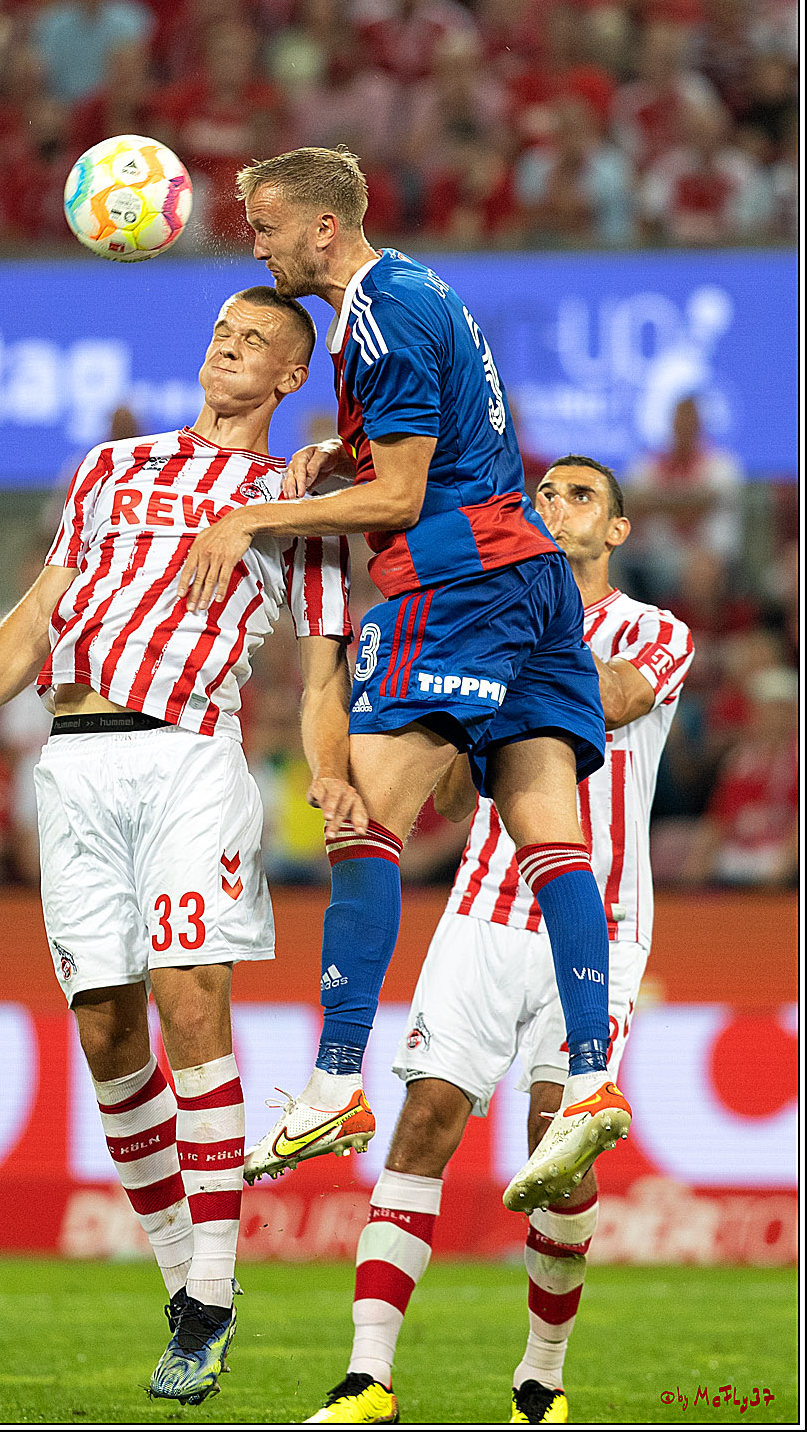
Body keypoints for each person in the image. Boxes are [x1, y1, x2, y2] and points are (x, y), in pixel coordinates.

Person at [0, 286, 355, 1407]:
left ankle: (213, 1293)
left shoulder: (292, 500)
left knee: (190, 1002)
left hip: (192, 755)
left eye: (255, 345)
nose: (227, 355)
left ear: (290, 377)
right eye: (219, 336)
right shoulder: (111, 470)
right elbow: (37, 611)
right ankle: (178, 1293)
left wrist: (332, 772)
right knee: (107, 1032)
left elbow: (321, 661)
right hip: (75, 760)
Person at [179, 146, 629, 1213]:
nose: (257, 242)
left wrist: (255, 516)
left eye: (268, 225)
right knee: (552, 842)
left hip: (457, 582)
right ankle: (594, 1079)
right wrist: (347, 448)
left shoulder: (372, 316)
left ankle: (337, 1080)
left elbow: (402, 498)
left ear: (322, 230)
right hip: (532, 586)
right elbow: (436, 439)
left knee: (361, 819)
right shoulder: (416, 291)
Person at [307, 456, 694, 1426]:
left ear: (614, 531)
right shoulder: (483, 618)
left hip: (597, 923)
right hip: (482, 910)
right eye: (544, 493)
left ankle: (541, 1376)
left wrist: (492, 646)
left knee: (559, 1147)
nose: (553, 505)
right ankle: (367, 1378)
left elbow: (611, 699)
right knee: (425, 1120)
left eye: (579, 497)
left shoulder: (656, 633)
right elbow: (446, 794)